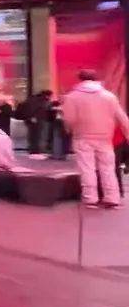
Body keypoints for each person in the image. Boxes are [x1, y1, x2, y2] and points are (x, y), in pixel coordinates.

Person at [61, 69, 129, 209]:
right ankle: (112, 198)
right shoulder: (109, 96)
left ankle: (90, 198)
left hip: (82, 136)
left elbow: (69, 119)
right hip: (105, 137)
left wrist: (69, 130)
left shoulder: (72, 97)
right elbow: (122, 117)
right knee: (108, 168)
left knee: (87, 168)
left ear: (80, 79)